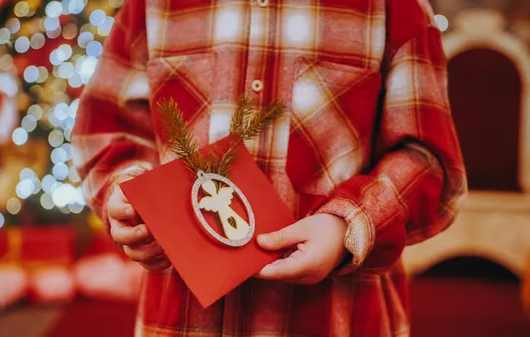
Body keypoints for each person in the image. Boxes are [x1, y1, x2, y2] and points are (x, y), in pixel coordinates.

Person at [72, 0, 467, 335]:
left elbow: (427, 157)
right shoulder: (151, 6)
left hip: (335, 316)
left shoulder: (395, 8)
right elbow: (106, 129)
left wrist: (348, 224)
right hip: (182, 317)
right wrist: (126, 196)